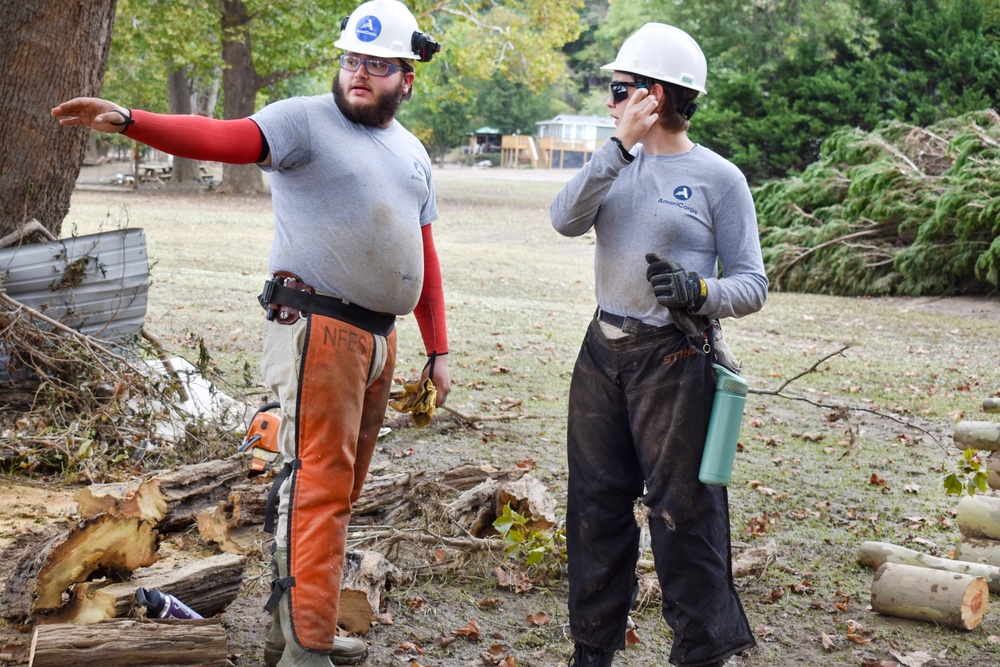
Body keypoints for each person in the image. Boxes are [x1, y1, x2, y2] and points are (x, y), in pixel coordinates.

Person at [53, 2, 450, 666]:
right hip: (318, 327)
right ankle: (306, 650)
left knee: (336, 494)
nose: (360, 74)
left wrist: (437, 347)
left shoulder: (411, 153)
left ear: (407, 77)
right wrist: (131, 120)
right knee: (318, 485)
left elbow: (426, 255)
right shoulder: (302, 120)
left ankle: (291, 628)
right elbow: (221, 136)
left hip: (379, 341)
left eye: (378, 65)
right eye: (352, 60)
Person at [550, 22, 768, 667]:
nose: (609, 101)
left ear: (658, 94)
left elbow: (753, 284)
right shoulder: (614, 161)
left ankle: (699, 652)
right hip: (603, 350)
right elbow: (565, 220)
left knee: (684, 514)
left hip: (674, 359)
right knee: (594, 505)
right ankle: (592, 651)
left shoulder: (717, 178)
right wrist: (616, 147)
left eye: (620, 89)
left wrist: (698, 290)